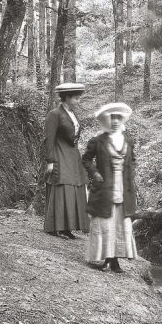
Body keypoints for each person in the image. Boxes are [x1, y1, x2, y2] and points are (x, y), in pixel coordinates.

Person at [82, 102, 138, 273]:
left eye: (118, 118)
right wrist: (95, 174)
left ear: (123, 120)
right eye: (112, 118)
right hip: (105, 189)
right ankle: (106, 259)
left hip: (124, 188)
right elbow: (86, 159)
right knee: (106, 223)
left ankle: (115, 261)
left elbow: (133, 161)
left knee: (120, 223)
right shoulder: (98, 141)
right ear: (107, 120)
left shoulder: (128, 141)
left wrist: (130, 175)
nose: (115, 121)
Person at [44, 83, 89, 238]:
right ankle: (56, 227)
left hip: (72, 155)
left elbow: (74, 136)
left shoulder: (72, 113)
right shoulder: (55, 114)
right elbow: (48, 139)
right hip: (59, 154)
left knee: (74, 188)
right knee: (62, 187)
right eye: (76, 98)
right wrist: (50, 160)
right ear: (67, 97)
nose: (78, 101)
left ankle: (67, 227)